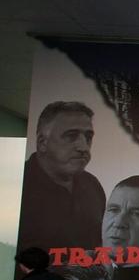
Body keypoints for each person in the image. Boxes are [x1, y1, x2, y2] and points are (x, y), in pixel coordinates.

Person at [17, 101, 105, 254]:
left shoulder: (92, 185)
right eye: (71, 136)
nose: (84, 147)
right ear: (42, 142)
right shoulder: (16, 185)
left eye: (88, 137)